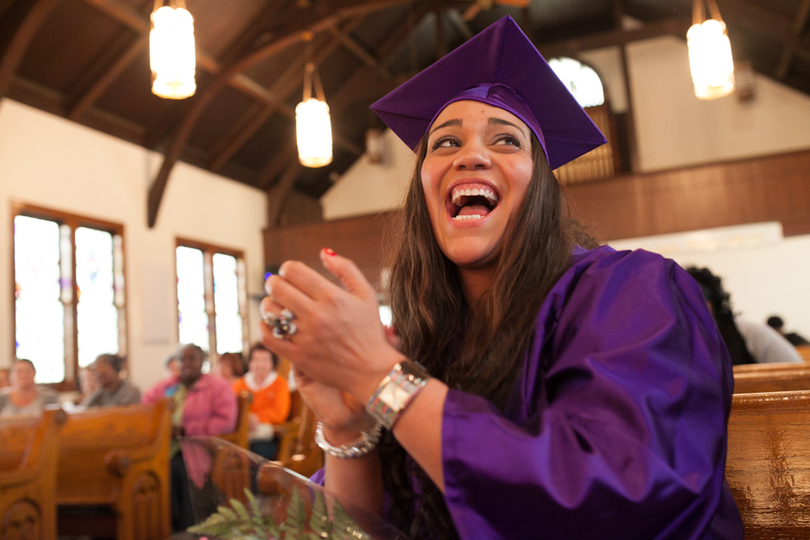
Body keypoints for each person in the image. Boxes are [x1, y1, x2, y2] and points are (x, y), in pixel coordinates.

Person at [259, 16, 743, 540]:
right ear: (423, 189)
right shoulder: (429, 341)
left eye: (507, 140)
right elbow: (370, 527)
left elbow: (614, 497)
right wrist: (347, 424)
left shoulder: (633, 293)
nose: (470, 154)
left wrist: (382, 379)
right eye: (444, 143)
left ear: (539, 187)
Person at [142, 344, 237, 532]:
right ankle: (155, 528)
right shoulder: (167, 386)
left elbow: (226, 421)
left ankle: (186, 528)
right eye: (182, 359)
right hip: (163, 446)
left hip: (199, 447)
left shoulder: (217, 387)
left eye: (192, 358)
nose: (187, 363)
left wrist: (187, 430)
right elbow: (145, 408)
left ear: (202, 361)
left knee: (176, 468)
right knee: (145, 468)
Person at [687, 267, 803, 365]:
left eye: (699, 300)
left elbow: (797, 372)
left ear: (713, 302)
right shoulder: (678, 338)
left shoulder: (747, 332)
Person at [232, 343, 291, 459]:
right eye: (256, 360)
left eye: (265, 360)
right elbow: (231, 408)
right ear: (249, 363)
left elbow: (280, 413)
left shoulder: (280, 384)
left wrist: (256, 418)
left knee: (257, 453)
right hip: (241, 434)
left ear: (272, 363)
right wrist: (246, 418)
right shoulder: (239, 384)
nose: (260, 365)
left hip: (270, 437)